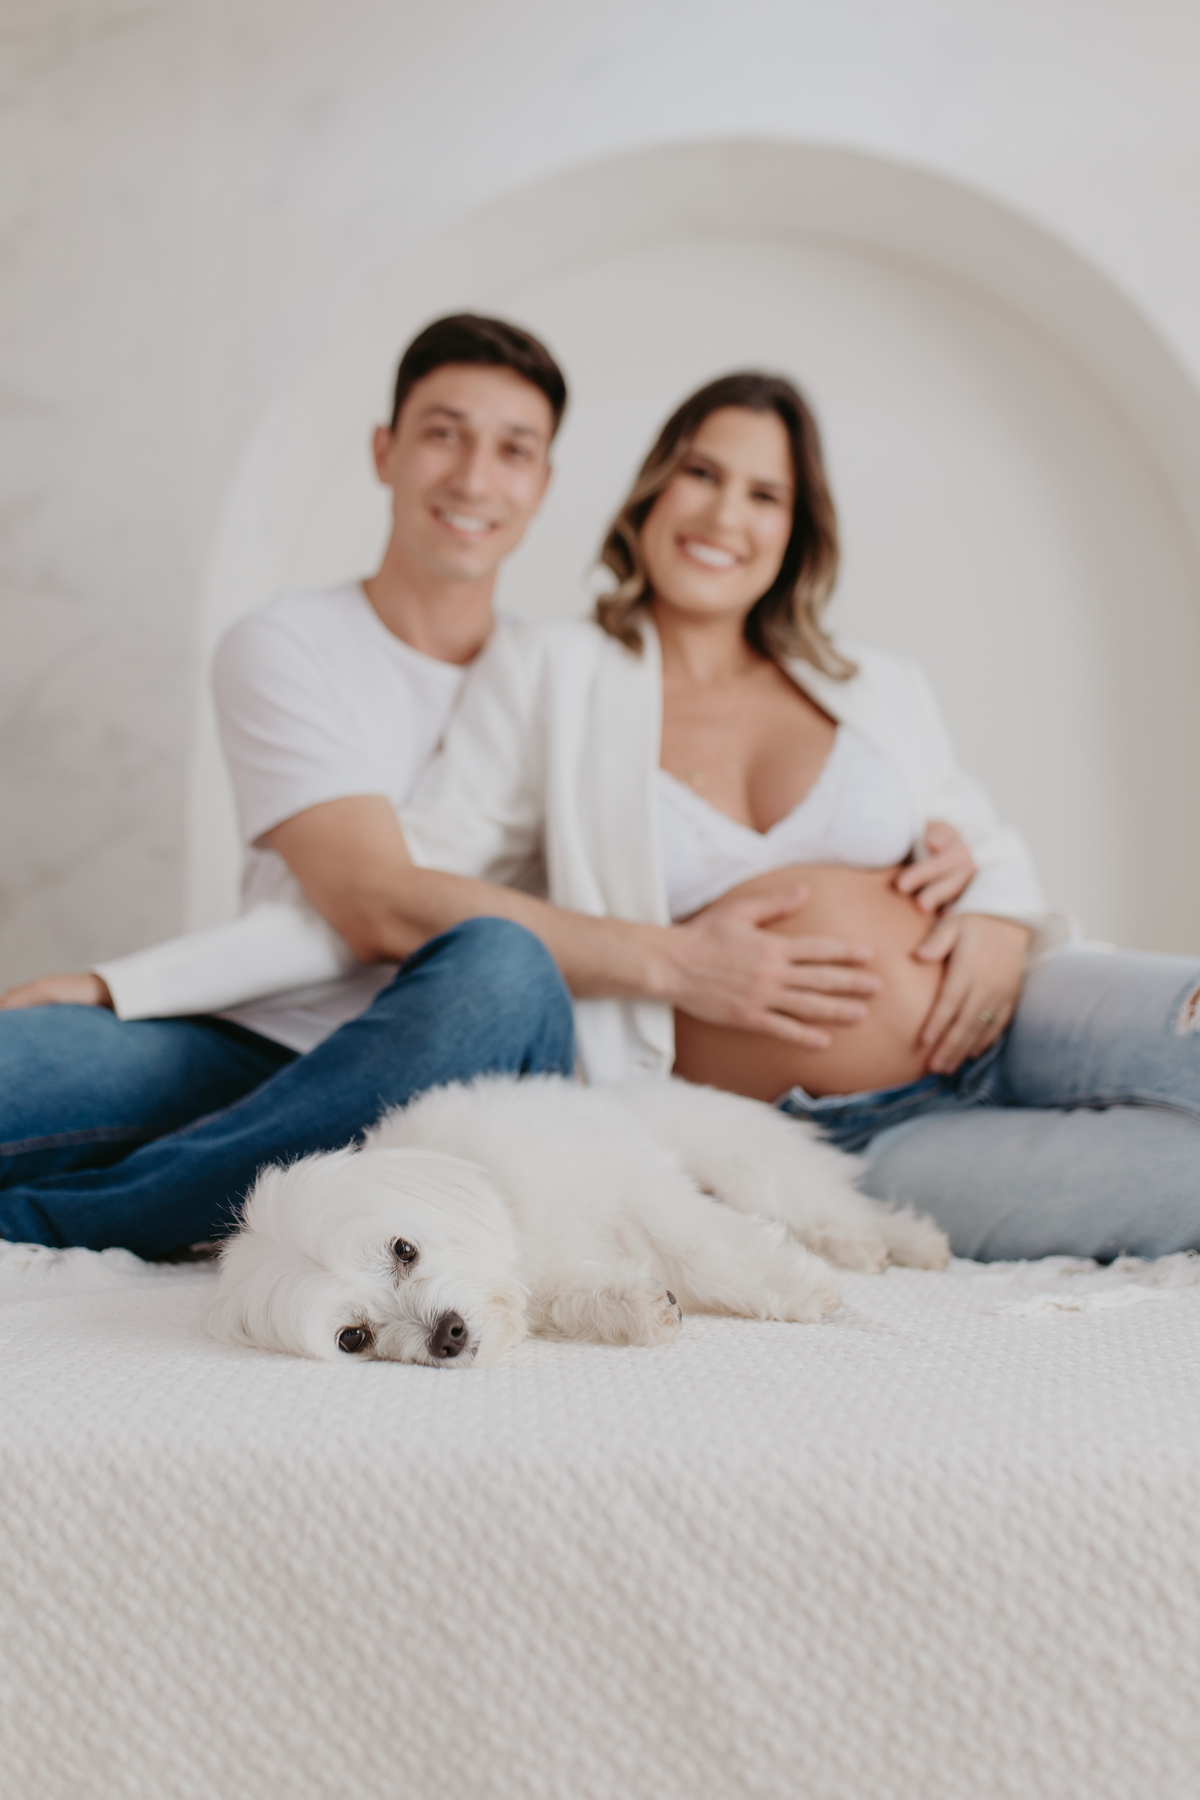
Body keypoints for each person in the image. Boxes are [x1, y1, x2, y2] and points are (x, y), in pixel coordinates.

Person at [0, 324, 972, 1256]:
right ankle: (204, 1184)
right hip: (267, 1032)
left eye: (513, 450)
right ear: (384, 451)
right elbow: (370, 901)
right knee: (23, 1067)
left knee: (502, 963)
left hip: (481, 1036)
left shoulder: (571, 680)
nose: (473, 478)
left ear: (544, 485)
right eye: (443, 435)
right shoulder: (289, 646)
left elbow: (906, 821)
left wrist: (985, 900)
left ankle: (81, 1220)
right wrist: (125, 987)